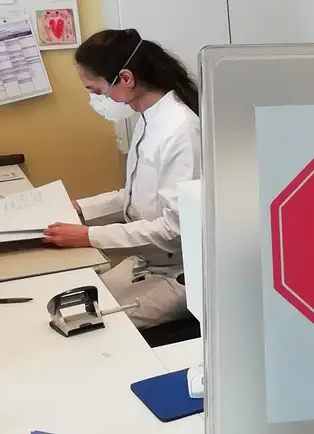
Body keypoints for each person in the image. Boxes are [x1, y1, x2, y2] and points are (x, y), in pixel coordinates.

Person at [43, 29, 201, 329]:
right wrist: (80, 208)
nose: (97, 100)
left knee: (86, 324)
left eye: (97, 91)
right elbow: (133, 195)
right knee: (67, 303)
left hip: (179, 271)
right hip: (148, 262)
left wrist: (88, 236)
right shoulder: (149, 118)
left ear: (126, 78)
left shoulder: (181, 130)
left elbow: (174, 229)